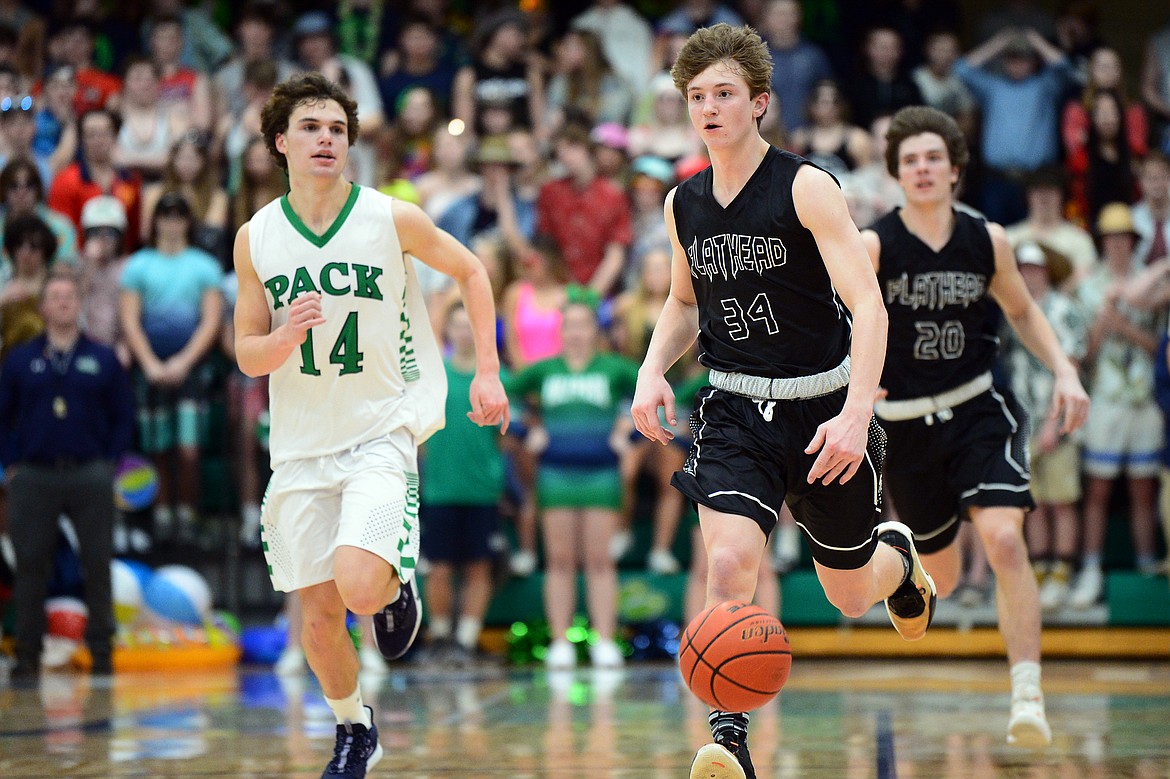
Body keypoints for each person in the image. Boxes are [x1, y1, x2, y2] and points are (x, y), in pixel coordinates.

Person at [630, 25, 937, 779]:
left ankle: (896, 561)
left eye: (724, 94)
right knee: (729, 560)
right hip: (734, 405)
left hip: (825, 408)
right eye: (697, 96)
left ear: (759, 102)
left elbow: (870, 308)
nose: (709, 107)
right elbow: (680, 300)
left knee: (851, 595)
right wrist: (650, 368)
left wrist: (856, 414)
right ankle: (727, 736)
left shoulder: (806, 186)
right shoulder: (684, 202)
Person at [232, 72, 508, 778]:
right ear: (280, 142)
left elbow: (474, 271)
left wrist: (486, 369)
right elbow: (246, 353)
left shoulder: (390, 216)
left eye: (337, 129)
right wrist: (283, 337)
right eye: (312, 127)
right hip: (299, 448)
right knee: (319, 617)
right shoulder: (256, 237)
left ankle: (394, 583)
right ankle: (356, 727)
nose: (327, 139)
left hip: (379, 432)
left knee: (358, 587)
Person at [862, 105, 1090, 749]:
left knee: (1006, 539)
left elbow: (1023, 310)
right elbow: (833, 315)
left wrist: (1067, 373)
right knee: (949, 577)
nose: (923, 168)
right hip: (905, 426)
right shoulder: (875, 245)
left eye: (934, 157)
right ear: (897, 175)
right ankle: (908, 565)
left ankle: (1027, 691)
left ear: (955, 170)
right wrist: (853, 373)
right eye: (911, 161)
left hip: (976, 410)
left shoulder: (986, 239)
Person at [0, 270, 134, 679]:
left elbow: (124, 415)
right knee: (30, 565)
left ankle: (101, 652)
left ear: (79, 305)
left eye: (68, 297)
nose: (61, 302)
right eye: (54, 296)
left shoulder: (104, 358)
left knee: (97, 562)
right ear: (41, 308)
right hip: (34, 476)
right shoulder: (20, 360)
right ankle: (27, 654)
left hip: (89, 473)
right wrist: (12, 464)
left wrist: (110, 461)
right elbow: (2, 417)